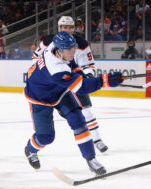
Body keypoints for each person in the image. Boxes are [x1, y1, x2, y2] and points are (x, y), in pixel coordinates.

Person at [24, 31, 123, 175]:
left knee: (78, 120)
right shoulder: (56, 68)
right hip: (40, 98)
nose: (73, 52)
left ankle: (91, 159)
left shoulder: (56, 46)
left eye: (73, 48)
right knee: (46, 138)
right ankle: (30, 150)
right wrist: (105, 80)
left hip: (59, 90)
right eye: (69, 49)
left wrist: (81, 74)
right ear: (59, 50)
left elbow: (72, 64)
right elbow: (81, 88)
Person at [33, 16, 109, 153]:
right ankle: (38, 143)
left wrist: (86, 75)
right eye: (64, 27)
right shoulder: (48, 41)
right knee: (44, 122)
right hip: (56, 84)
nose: (67, 30)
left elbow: (89, 65)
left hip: (76, 79)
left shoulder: (82, 43)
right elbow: (36, 59)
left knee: (87, 111)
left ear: (74, 28)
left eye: (70, 27)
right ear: (59, 28)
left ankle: (97, 139)